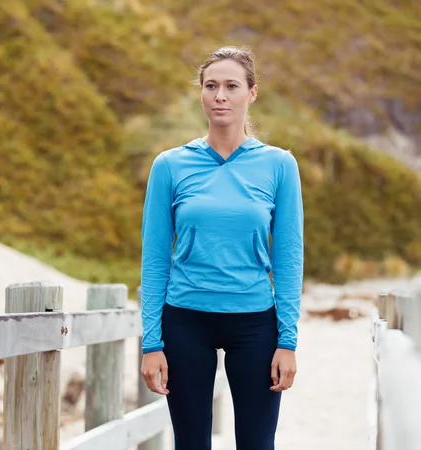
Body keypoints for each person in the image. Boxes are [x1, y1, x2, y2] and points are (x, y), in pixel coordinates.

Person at [139, 46, 304, 450]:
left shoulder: (279, 165)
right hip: (184, 321)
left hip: (254, 323)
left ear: (252, 93)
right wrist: (151, 343)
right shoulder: (170, 165)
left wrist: (288, 341)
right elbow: (155, 258)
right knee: (190, 443)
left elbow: (287, 259)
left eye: (232, 86)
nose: (220, 96)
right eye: (211, 86)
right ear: (201, 93)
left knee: (257, 443)